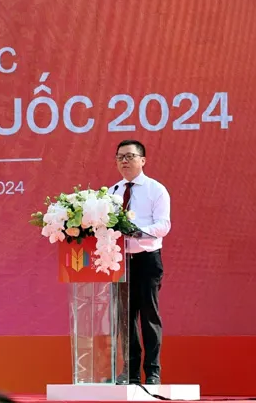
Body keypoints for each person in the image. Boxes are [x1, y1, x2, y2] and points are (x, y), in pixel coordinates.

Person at [111, 140, 171, 385]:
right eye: (120, 157)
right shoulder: (113, 192)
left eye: (130, 156)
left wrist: (137, 232)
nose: (124, 161)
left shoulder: (156, 190)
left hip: (146, 259)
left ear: (142, 160)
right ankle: (130, 371)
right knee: (125, 319)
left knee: (148, 316)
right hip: (120, 262)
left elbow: (163, 225)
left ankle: (153, 371)